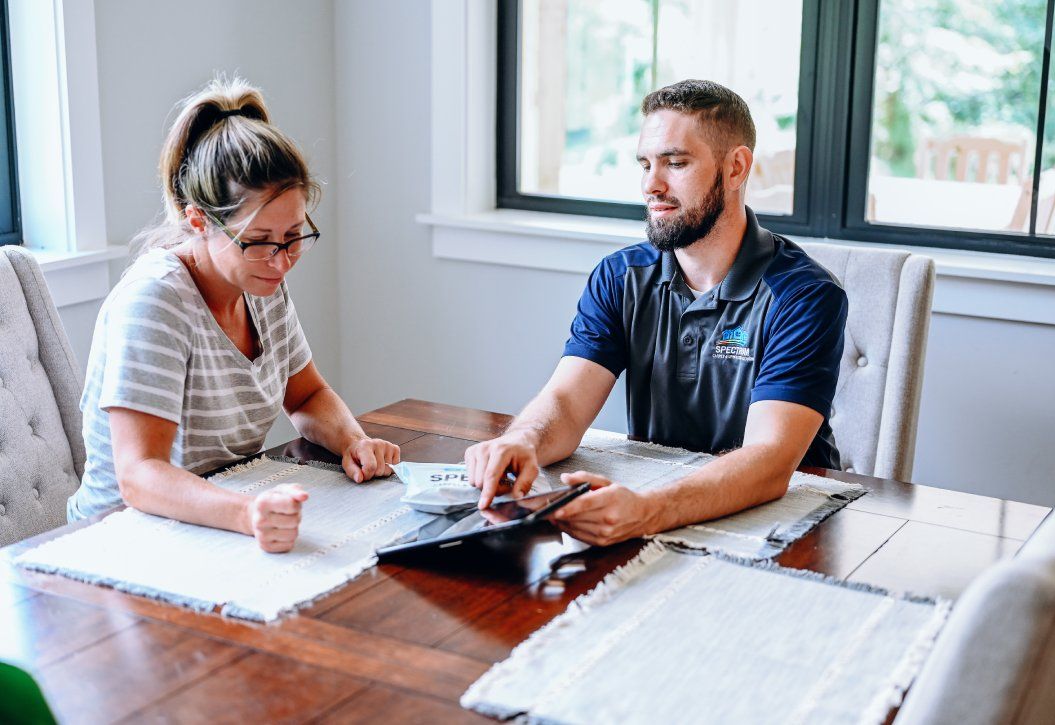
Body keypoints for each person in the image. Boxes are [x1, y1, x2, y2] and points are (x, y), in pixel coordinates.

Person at [465, 80, 848, 546]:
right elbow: (565, 404)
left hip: (785, 530)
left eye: (676, 163)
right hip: (657, 511)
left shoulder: (805, 296)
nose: (652, 184)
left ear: (736, 167)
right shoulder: (619, 277)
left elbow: (768, 462)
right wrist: (522, 439)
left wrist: (648, 511)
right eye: (646, 164)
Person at [67, 77, 400, 552]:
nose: (281, 261)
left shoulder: (261, 283)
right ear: (198, 220)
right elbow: (140, 476)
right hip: (118, 540)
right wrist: (247, 514)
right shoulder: (155, 301)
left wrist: (352, 440)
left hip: (211, 522)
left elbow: (306, 396)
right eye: (260, 241)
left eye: (293, 236)